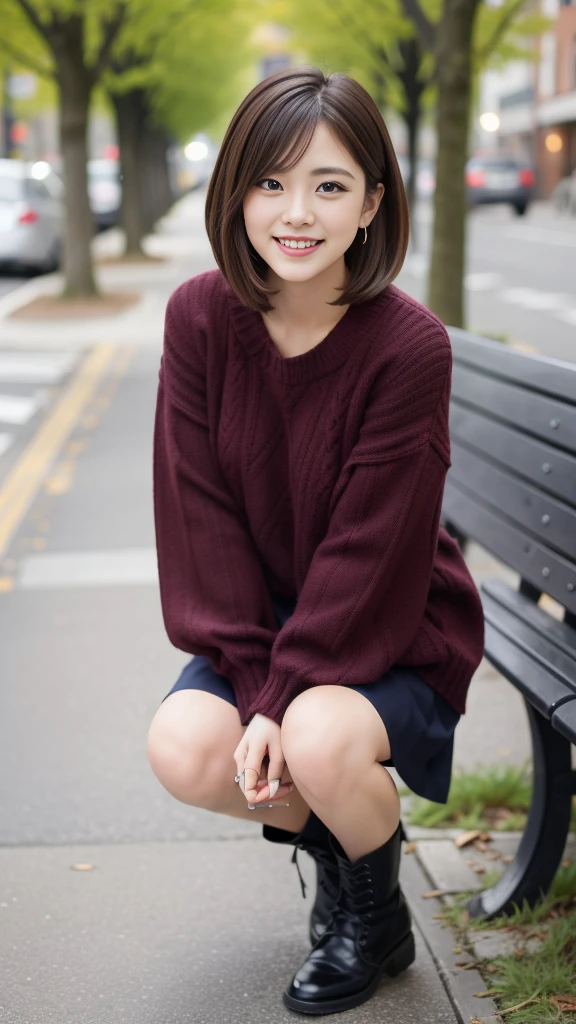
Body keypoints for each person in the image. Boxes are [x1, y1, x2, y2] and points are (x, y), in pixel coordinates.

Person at [146, 65, 485, 1016]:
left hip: (389, 619)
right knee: (184, 745)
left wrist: (285, 697)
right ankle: (360, 868)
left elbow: (371, 553)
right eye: (271, 182)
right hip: (264, 618)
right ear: (236, 191)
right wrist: (257, 681)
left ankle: (366, 922)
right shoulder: (201, 317)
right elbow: (198, 514)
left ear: (373, 202)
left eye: (330, 186)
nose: (297, 212)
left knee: (321, 733)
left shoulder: (408, 346)